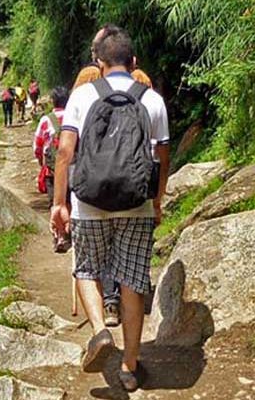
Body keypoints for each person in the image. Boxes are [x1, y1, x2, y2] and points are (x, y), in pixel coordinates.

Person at [51, 25, 170, 391]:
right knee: (133, 282)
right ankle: (130, 368)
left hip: (88, 204)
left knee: (87, 269)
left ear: (97, 62)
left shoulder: (82, 96)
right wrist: (157, 199)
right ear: (133, 62)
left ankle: (102, 332)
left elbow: (65, 152)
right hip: (136, 205)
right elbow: (162, 156)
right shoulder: (151, 99)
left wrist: (58, 203)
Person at [34, 86, 70, 253]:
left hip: (52, 169)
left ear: (53, 101)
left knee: (54, 202)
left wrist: (42, 162)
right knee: (70, 200)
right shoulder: (74, 116)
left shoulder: (46, 120)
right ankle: (72, 233)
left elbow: (38, 145)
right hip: (73, 167)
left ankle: (59, 236)